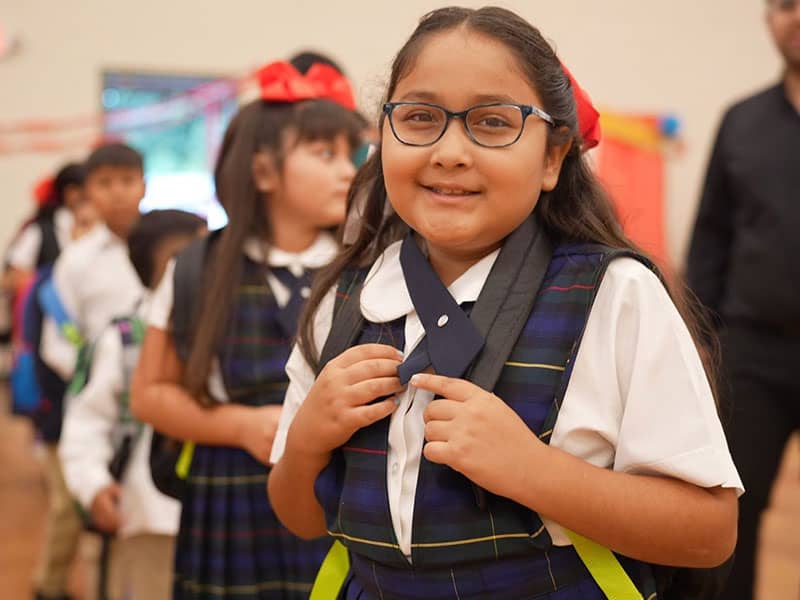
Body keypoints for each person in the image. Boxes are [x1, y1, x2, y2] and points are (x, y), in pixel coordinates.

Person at [268, 7, 743, 599]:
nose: (449, 151)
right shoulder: (342, 301)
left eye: (493, 123)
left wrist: (534, 471)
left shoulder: (615, 296)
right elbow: (301, 518)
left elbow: (709, 531)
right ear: (383, 134)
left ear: (551, 157)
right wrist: (308, 439)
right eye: (419, 118)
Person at [130, 61, 363, 599]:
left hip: (339, 492)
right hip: (231, 493)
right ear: (262, 172)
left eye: (349, 154)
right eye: (324, 154)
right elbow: (149, 393)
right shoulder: (195, 269)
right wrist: (238, 425)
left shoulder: (368, 270)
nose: (347, 172)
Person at [686, 1, 800, 597]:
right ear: (768, 19)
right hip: (753, 353)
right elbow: (711, 237)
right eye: (784, 4)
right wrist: (704, 345)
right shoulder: (742, 122)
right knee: (732, 511)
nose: (797, 15)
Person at [58, 209, 205, 600]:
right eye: (192, 258)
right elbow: (85, 424)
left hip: (221, 516)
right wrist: (94, 486)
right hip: (147, 520)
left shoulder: (233, 329)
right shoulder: (123, 340)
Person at [33, 142, 145, 600]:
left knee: (137, 512)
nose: (118, 193)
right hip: (95, 403)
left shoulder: (167, 246)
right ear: (87, 193)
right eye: (105, 183)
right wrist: (98, 367)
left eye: (127, 181)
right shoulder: (76, 261)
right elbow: (57, 338)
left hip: (153, 406)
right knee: (87, 508)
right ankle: (60, 584)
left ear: (144, 185)